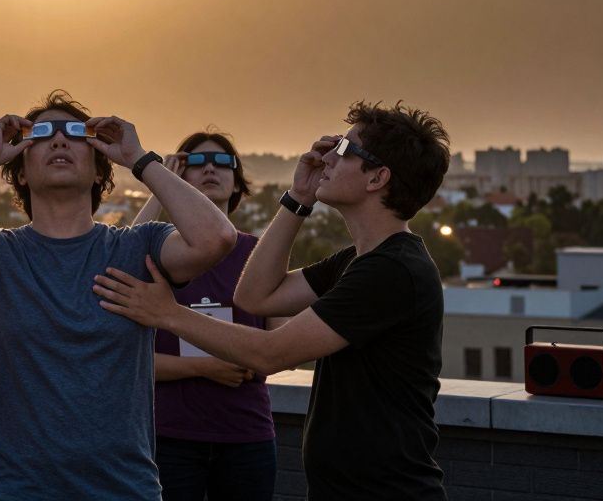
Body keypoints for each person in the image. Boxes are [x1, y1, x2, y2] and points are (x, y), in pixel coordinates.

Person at [0, 91, 237, 500]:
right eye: (40, 135)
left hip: (123, 489)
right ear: (20, 172)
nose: (58, 141)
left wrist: (141, 160)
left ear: (98, 172)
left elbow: (217, 237)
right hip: (13, 489)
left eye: (74, 133)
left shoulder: (136, 247)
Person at [94, 102, 451, 500]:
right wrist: (299, 196)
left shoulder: (393, 271)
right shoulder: (358, 261)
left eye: (345, 149)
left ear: (378, 178)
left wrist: (167, 313)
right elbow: (256, 296)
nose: (328, 156)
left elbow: (269, 354)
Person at [133, 130, 277, 501]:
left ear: (236, 183)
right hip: (170, 437)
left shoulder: (257, 254)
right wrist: (158, 188)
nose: (210, 168)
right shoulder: (160, 252)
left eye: (222, 162)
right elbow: (128, 359)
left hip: (246, 436)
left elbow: (281, 346)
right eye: (195, 162)